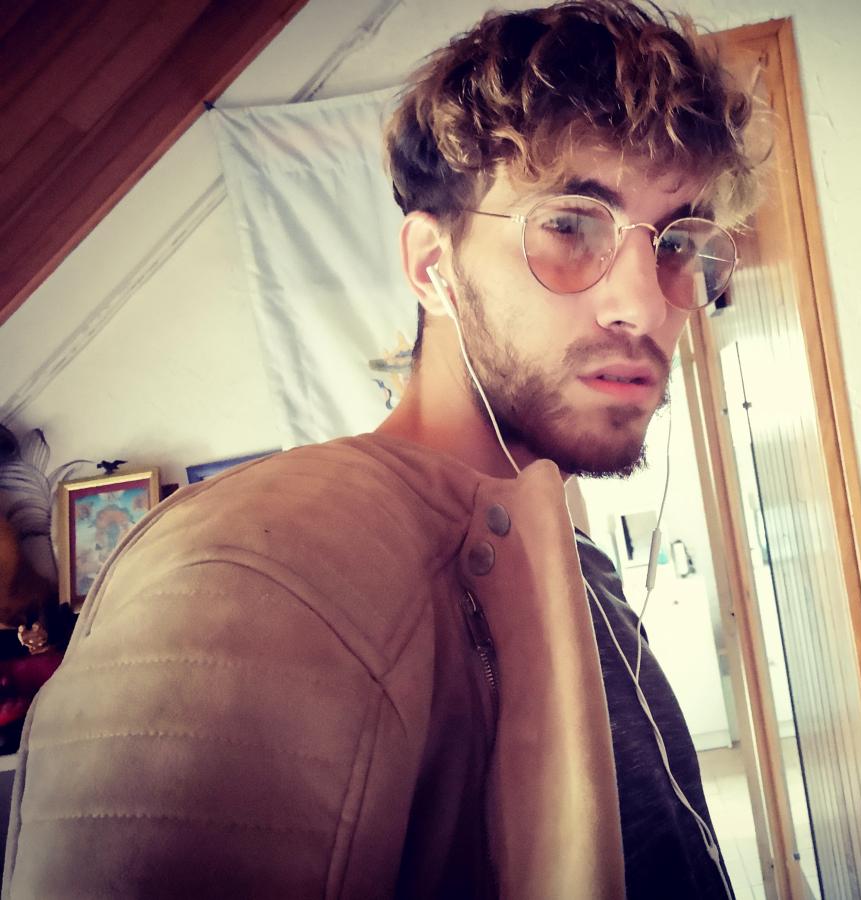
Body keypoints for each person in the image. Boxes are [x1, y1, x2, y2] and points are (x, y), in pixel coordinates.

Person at [3, 1, 759, 897]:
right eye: (568, 225)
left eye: (676, 242)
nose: (644, 302)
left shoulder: (570, 556)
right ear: (434, 266)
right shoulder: (255, 567)